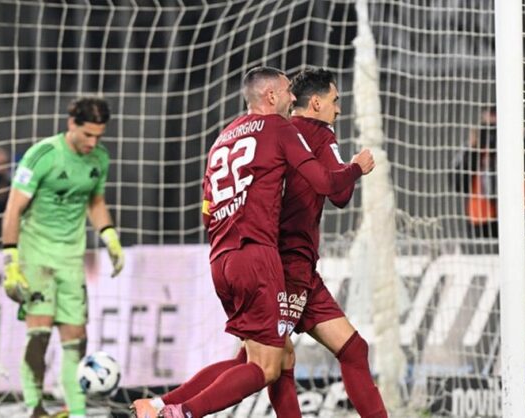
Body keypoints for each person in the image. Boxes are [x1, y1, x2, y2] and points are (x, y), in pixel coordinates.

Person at [142, 67, 368, 418]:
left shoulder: (222, 138)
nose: (292, 98)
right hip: (258, 258)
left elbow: (206, 211)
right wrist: (356, 168)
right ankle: (180, 412)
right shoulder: (278, 127)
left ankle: (158, 404)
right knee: (266, 366)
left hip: (221, 259)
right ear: (271, 95)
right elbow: (327, 184)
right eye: (287, 91)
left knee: (270, 356)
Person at [268, 68, 387, 417]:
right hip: (290, 265)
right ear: (316, 104)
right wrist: (355, 167)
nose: (339, 109)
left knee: (351, 349)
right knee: (261, 363)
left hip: (285, 261)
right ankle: (170, 406)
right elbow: (340, 195)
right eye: (335, 101)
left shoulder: (277, 131)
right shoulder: (319, 132)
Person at [1, 97, 125, 418]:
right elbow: (13, 208)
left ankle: (77, 411)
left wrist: (109, 236)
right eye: (88, 135)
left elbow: (95, 201)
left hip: (71, 259)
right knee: (39, 334)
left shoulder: (100, 158)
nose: (93, 142)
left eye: (99, 136)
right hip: (36, 257)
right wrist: (11, 262)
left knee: (76, 338)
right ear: (72, 124)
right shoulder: (42, 155)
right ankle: (35, 408)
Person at [451, 106, 525, 253]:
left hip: (521, 214)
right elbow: (458, 184)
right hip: (483, 218)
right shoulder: (473, 146)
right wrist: (473, 148)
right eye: (489, 121)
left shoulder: (524, 143)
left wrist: (521, 137)